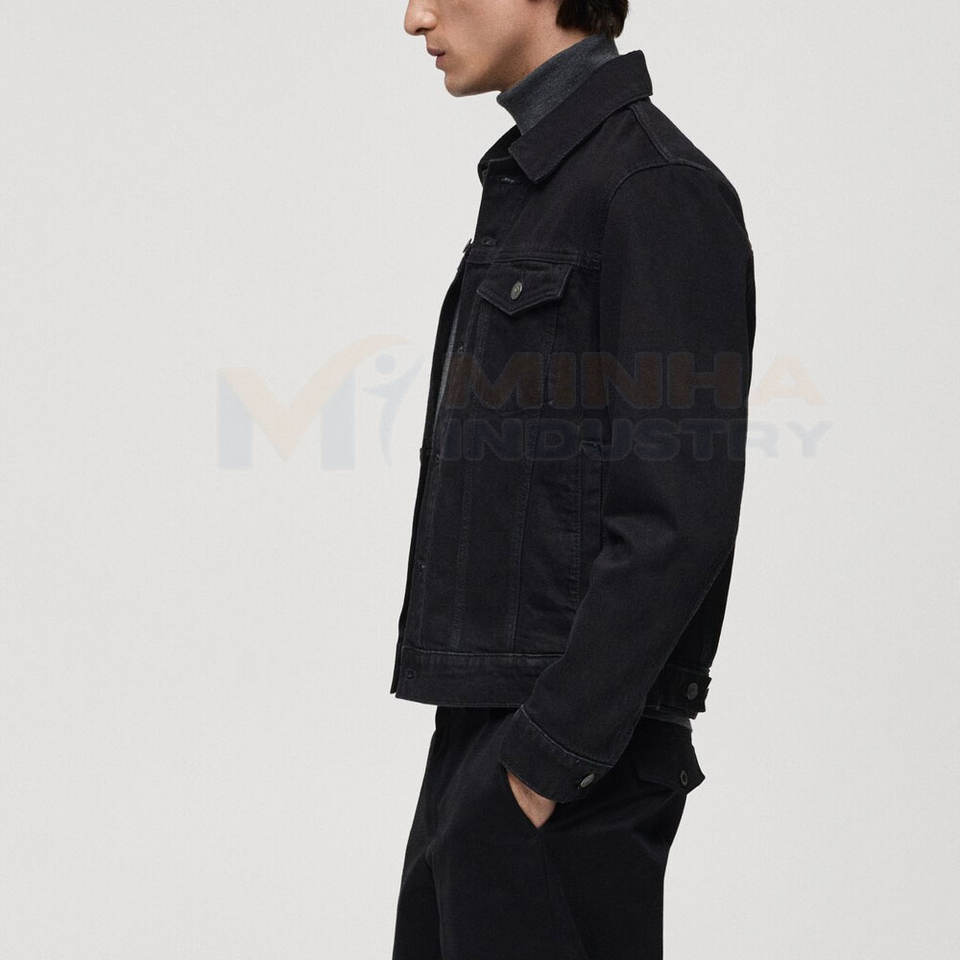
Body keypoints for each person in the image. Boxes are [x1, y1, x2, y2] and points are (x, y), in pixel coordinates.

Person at [391, 2, 756, 957]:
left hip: (570, 757)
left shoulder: (655, 189)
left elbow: (678, 518)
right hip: (492, 738)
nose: (414, 16)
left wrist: (540, 767)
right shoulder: (542, 182)